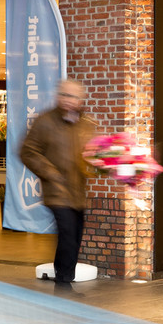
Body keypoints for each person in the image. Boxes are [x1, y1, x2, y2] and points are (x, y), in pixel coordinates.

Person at [19, 79, 95, 291]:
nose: (69, 100)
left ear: (81, 100)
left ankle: (65, 277)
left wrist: (98, 161)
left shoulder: (85, 124)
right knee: (68, 233)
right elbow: (27, 152)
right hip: (57, 190)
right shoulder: (45, 121)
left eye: (74, 96)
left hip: (78, 191)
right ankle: (63, 283)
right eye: (65, 95)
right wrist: (51, 173)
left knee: (75, 235)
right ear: (58, 96)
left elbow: (90, 154)